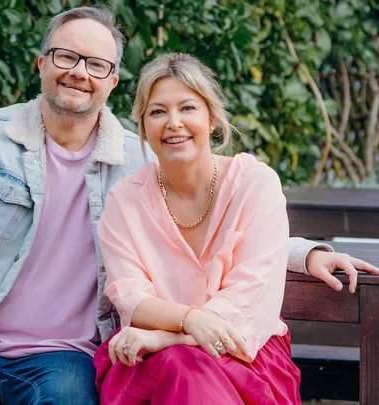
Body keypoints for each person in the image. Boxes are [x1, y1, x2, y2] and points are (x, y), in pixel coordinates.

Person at [0, 6, 379, 405]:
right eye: (66, 57)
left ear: (112, 82)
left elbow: (225, 216)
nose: (78, 73)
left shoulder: (140, 156)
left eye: (96, 64)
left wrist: (305, 252)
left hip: (60, 356)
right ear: (42, 64)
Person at [94, 52, 302, 405]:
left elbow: (250, 300)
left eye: (187, 108)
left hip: (246, 357)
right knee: (181, 366)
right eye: (157, 112)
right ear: (143, 126)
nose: (173, 123)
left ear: (211, 118)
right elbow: (131, 299)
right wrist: (187, 325)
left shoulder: (256, 184)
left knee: (186, 366)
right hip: (146, 361)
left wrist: (171, 337)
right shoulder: (123, 202)